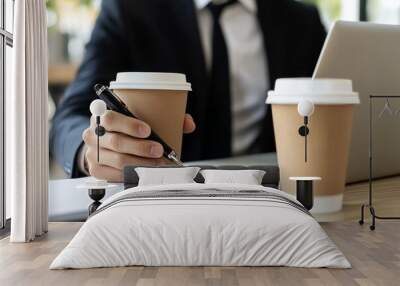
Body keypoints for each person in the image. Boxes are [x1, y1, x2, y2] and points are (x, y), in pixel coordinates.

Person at [50, 0, 326, 182]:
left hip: (270, 195)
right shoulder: (129, 9)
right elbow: (69, 117)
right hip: (164, 198)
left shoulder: (303, 22)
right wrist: (91, 151)